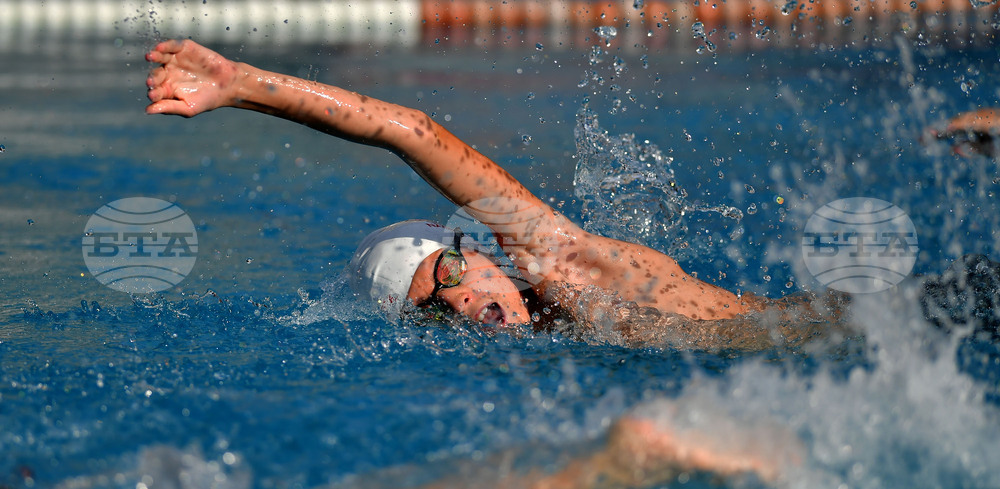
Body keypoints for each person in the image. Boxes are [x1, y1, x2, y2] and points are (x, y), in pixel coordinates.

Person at [146, 39, 831, 346]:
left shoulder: (559, 264)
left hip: (855, 330)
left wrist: (243, 86)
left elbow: (410, 130)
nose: (466, 303)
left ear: (477, 249)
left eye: (449, 275)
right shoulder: (552, 343)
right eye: (438, 311)